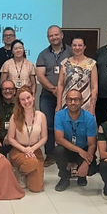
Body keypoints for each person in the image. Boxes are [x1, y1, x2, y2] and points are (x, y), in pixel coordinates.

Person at [36, 26, 72, 166]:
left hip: (69, 96)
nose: (54, 37)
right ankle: (50, 154)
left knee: (68, 125)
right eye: (51, 35)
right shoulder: (43, 54)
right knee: (48, 125)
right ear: (48, 37)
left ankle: (69, 154)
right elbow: (40, 75)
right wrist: (53, 89)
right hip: (48, 96)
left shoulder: (70, 51)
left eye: (56, 34)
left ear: (62, 35)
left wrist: (62, 91)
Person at [53, 89, 98, 192]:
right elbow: (59, 139)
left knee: (92, 169)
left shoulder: (89, 118)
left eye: (76, 100)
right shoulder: (59, 115)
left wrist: (86, 164)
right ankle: (64, 177)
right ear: (66, 101)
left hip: (84, 149)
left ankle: (81, 174)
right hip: (68, 149)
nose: (73, 102)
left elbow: (92, 145)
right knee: (58, 151)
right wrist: (79, 150)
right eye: (70, 100)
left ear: (82, 101)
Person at [5, 87, 47, 192]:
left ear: (33, 97)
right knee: (31, 163)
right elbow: (10, 138)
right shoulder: (15, 117)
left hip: (35, 150)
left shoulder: (41, 116)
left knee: (36, 188)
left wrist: (32, 149)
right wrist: (24, 150)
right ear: (19, 102)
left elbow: (44, 137)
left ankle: (27, 173)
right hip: (19, 149)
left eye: (28, 98)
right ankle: (20, 172)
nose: (26, 101)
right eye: (22, 99)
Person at [56, 36, 98, 114]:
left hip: (85, 103)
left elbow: (94, 87)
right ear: (71, 46)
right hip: (67, 102)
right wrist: (58, 104)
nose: (77, 48)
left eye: (80, 45)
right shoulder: (65, 63)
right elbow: (60, 84)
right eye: (74, 45)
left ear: (84, 47)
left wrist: (92, 106)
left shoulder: (91, 63)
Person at [0, 80, 17, 151]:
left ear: (15, 90)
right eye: (5, 89)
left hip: (16, 138)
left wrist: (10, 136)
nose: (7, 91)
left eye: (10, 89)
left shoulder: (20, 104)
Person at [0, 27, 16, 99]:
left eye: (10, 35)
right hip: (1, 89)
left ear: (15, 37)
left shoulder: (18, 53)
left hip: (16, 89)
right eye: (6, 35)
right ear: (2, 38)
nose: (8, 37)